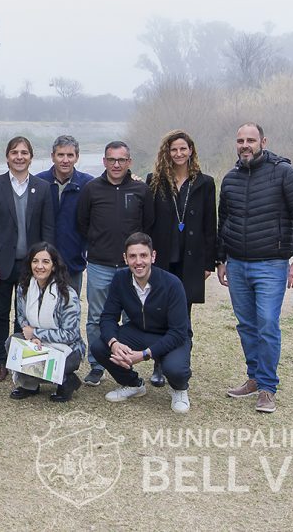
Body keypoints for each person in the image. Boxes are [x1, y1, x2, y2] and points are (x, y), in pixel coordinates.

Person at [217, 122, 293, 414]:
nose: (245, 145)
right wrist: (220, 260)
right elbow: (223, 222)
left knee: (268, 325)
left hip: (271, 265)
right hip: (236, 264)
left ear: (263, 141)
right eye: (240, 140)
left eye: (250, 140)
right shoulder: (230, 178)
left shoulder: (284, 172)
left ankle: (268, 388)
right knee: (246, 325)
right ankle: (253, 377)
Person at [76, 140, 154, 387]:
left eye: (121, 160)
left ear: (129, 162)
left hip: (133, 269)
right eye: (112, 159)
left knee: (132, 318)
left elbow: (149, 225)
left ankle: (124, 363)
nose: (116, 164)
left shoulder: (141, 190)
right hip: (100, 264)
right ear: (104, 161)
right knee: (97, 317)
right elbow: (82, 223)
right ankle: (97, 365)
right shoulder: (91, 189)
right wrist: (99, 244)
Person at [0, 136, 55, 382]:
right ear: (7, 157)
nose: (19, 157)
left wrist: (45, 263)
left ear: (31, 157)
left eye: (24, 152)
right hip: (1, 264)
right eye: (14, 152)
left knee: (25, 316)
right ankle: (1, 362)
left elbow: (48, 230)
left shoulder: (43, 187)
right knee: (0, 313)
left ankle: (19, 360)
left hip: (31, 266)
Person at [91, 233, 192, 413]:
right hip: (139, 331)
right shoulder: (120, 280)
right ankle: (133, 384)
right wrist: (114, 344)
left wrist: (144, 354)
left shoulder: (172, 284)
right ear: (125, 258)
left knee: (175, 369)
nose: (138, 262)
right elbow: (108, 317)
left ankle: (179, 389)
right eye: (132, 256)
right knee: (100, 346)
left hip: (171, 337)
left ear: (153, 256)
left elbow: (179, 332)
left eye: (143, 255)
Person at [146, 130, 216, 387]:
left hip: (191, 259)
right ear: (167, 152)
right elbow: (149, 222)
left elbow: (211, 224)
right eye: (173, 149)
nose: (178, 154)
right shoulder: (155, 181)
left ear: (191, 151)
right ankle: (158, 364)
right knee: (160, 311)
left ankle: (181, 363)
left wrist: (209, 262)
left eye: (182, 149)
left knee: (183, 315)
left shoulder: (205, 183)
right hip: (162, 258)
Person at [6, 243, 85, 403]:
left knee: (46, 361)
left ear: (54, 266)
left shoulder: (67, 294)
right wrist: (31, 338)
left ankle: (66, 380)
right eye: (35, 261)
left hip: (68, 349)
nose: (39, 266)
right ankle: (30, 385)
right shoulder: (24, 288)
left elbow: (70, 334)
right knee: (12, 343)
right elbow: (22, 318)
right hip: (37, 343)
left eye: (45, 262)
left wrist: (37, 333)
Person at [35, 135, 94, 297]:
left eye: (70, 155)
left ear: (77, 157)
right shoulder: (38, 182)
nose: (65, 160)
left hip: (73, 262)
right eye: (60, 155)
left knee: (70, 311)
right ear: (53, 156)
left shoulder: (88, 184)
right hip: (41, 262)